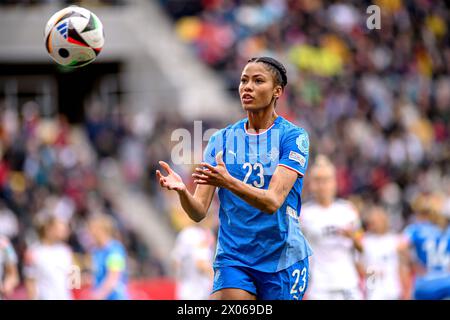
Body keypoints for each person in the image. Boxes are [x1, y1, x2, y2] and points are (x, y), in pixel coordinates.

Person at [157, 56, 312, 300]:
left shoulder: (292, 137)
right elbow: (198, 211)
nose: (247, 87)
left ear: (277, 91)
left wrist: (228, 182)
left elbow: (272, 202)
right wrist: (182, 192)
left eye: (258, 81)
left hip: (282, 257)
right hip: (235, 257)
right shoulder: (220, 140)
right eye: (243, 80)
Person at [300, 155, 364, 300]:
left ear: (334, 182)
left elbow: (362, 247)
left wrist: (352, 237)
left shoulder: (349, 211)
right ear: (311, 184)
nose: (322, 185)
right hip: (319, 287)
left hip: (348, 284)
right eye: (317, 180)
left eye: (326, 180)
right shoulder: (303, 215)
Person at [399, 193, 450, 300]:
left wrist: (414, 265)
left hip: (425, 283)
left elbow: (400, 247)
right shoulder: (446, 230)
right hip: (446, 282)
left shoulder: (415, 229)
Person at [361, 206, 411, 300]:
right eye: (370, 223)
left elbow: (403, 267)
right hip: (372, 291)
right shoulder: (364, 241)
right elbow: (358, 266)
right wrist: (371, 272)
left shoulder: (395, 240)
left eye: (375, 222)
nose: (372, 226)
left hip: (392, 290)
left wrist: (406, 290)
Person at [24, 214, 74, 300]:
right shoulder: (33, 252)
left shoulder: (65, 250)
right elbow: (30, 282)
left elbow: (72, 279)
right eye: (61, 229)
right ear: (49, 229)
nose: (65, 231)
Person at [171, 213, 215, 300]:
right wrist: (216, 278)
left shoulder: (184, 233)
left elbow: (175, 262)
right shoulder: (200, 235)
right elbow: (200, 264)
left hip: (184, 291)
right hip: (199, 293)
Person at [87, 213, 128, 300]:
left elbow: (113, 278)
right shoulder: (96, 251)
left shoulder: (115, 250)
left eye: (92, 229)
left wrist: (98, 295)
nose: (90, 233)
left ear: (101, 230)